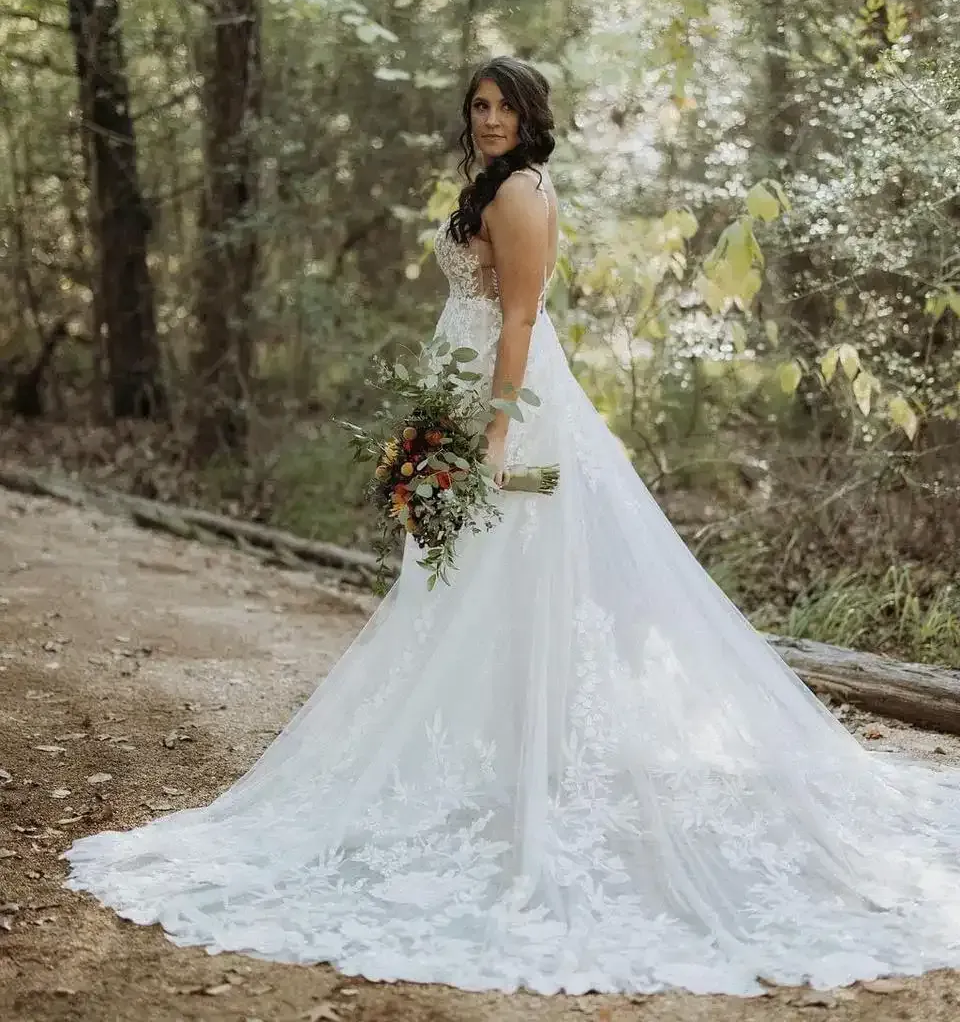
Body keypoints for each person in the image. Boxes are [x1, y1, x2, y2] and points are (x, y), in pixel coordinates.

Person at [64, 57, 960, 997]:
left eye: (504, 106)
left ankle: (538, 779)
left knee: (515, 576)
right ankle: (502, 766)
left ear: (533, 115)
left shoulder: (525, 189)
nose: (489, 118)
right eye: (479, 106)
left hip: (513, 408)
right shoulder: (489, 184)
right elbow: (478, 300)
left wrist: (494, 428)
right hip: (464, 395)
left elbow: (522, 314)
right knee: (464, 588)